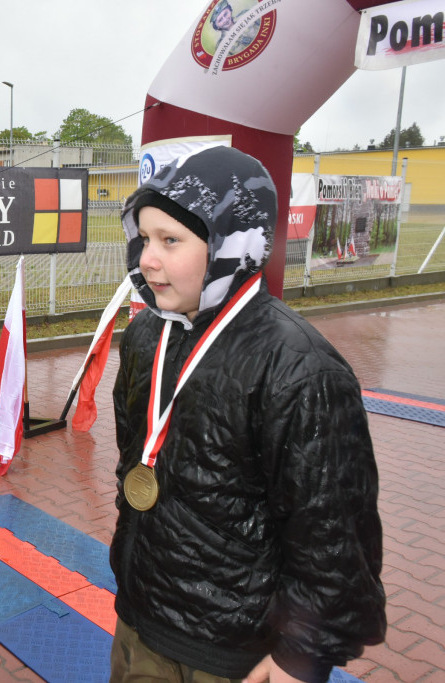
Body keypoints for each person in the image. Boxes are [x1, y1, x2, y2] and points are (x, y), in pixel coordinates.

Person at [110, 145, 386, 683]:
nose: (147, 259)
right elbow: (133, 460)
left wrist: (301, 656)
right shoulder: (145, 335)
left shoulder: (300, 369)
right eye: (145, 238)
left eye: (171, 240)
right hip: (140, 619)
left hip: (234, 653)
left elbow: (331, 533)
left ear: (229, 246)